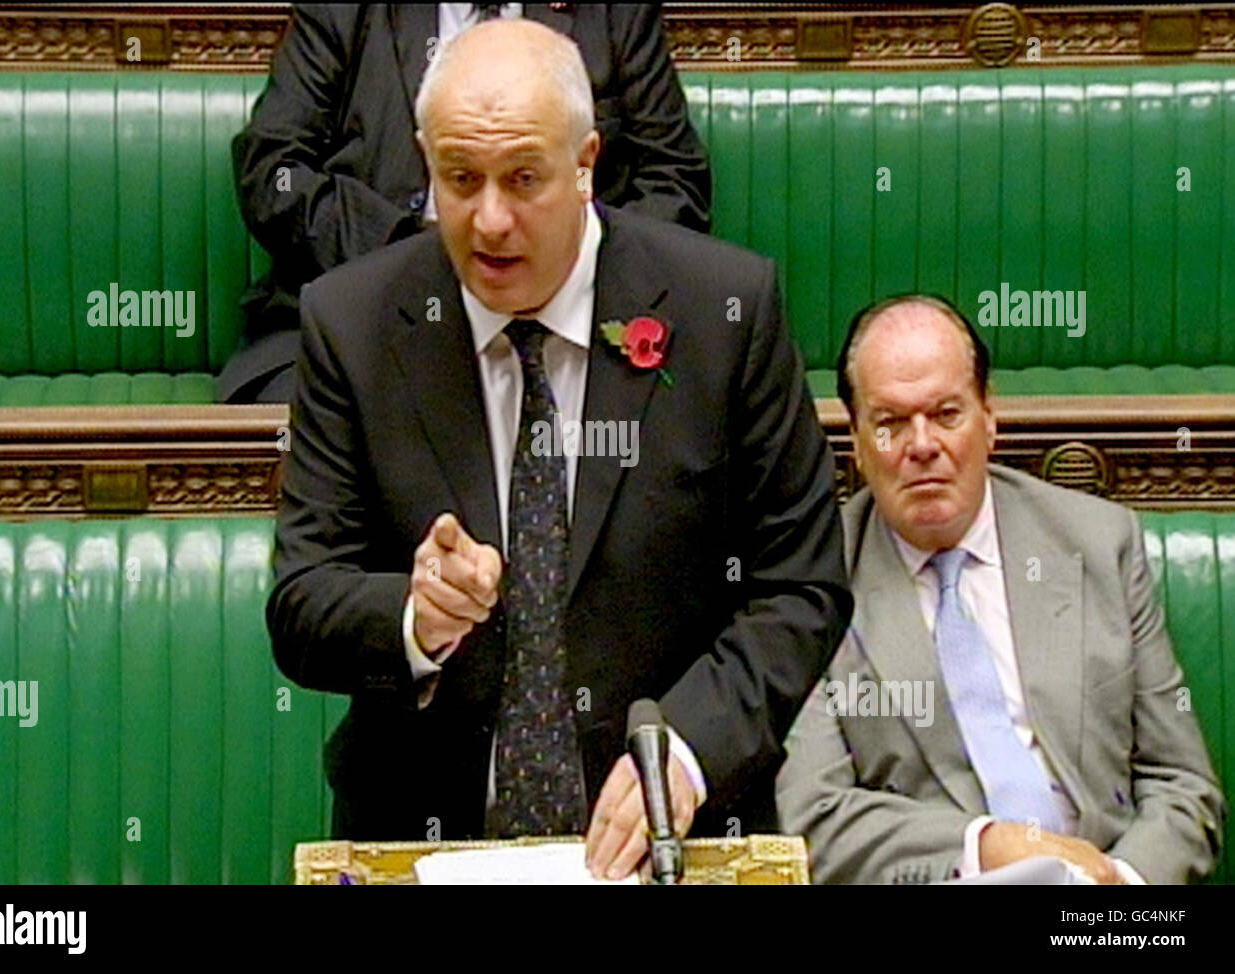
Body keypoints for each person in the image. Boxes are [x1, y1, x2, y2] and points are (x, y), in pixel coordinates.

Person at [267, 18, 849, 881]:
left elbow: (800, 587)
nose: (489, 220)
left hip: (671, 841)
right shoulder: (353, 323)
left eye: (523, 179)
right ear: (426, 162)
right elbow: (302, 602)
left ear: (587, 163)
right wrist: (414, 620)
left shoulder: (725, 310)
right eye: (459, 180)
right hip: (429, 839)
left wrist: (686, 752)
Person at [775, 294, 1225, 884]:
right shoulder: (815, 583)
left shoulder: (1098, 544)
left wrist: (1121, 889)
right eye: (889, 423)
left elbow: (1181, 783)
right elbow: (813, 812)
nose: (922, 445)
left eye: (946, 414)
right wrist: (985, 846)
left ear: (989, 418)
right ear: (855, 441)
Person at [223, 3, 712, 403]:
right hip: (369, 319)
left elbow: (675, 181)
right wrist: (416, 260)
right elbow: (273, 170)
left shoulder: (612, 12)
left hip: (571, 325)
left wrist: (568, 272)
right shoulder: (346, 11)